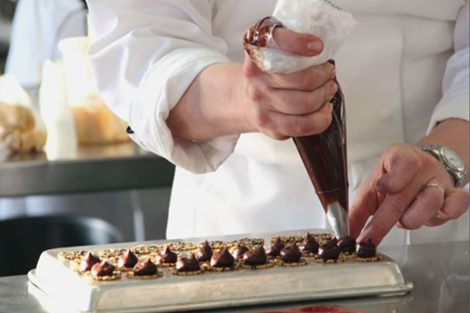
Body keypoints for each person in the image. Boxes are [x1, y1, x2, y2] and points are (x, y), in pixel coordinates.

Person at [87, 0, 469, 246]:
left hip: (433, 226)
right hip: (236, 227)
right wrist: (244, 96)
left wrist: (445, 156)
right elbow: (140, 44)